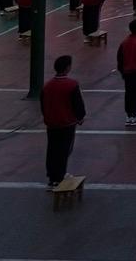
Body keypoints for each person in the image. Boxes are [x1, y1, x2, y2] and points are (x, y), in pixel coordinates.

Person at [40, 55, 85, 189]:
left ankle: (52, 176)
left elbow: (43, 104)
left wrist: (47, 117)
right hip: (66, 122)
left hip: (52, 122)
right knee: (64, 150)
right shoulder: (72, 84)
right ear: (67, 68)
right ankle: (60, 176)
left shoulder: (47, 85)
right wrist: (80, 117)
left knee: (52, 148)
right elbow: (77, 103)